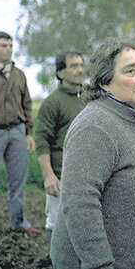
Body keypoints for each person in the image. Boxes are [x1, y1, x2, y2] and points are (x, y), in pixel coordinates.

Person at [50, 38, 135, 268]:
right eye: (130, 71)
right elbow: (79, 203)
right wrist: (100, 264)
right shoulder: (95, 127)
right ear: (105, 83)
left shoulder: (124, 120)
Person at [0, 31, 39, 234]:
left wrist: (29, 134)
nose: (8, 49)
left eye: (10, 45)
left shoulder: (19, 74)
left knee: (18, 182)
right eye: (3, 45)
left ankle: (20, 223)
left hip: (17, 132)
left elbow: (27, 104)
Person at [35, 51, 86, 242]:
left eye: (81, 65)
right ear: (60, 73)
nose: (79, 70)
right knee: (56, 224)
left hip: (87, 175)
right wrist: (49, 175)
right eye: (73, 66)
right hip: (61, 175)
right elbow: (42, 141)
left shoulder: (89, 99)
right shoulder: (52, 103)